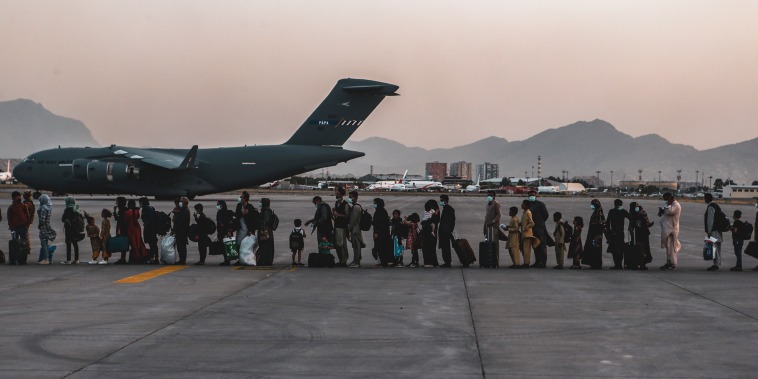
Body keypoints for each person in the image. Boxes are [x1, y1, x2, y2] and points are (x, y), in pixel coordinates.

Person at [527, 190, 549, 268]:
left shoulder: (540, 204)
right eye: (530, 195)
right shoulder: (529, 205)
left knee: (542, 245)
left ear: (536, 196)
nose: (531, 197)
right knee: (535, 245)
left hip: (540, 228)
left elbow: (546, 215)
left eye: (533, 195)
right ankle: (537, 261)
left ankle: (543, 263)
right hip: (532, 228)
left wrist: (540, 222)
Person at [659, 192, 682, 271]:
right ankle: (668, 262)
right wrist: (661, 211)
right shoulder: (668, 204)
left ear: (671, 198)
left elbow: (670, 212)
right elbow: (664, 211)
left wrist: (668, 205)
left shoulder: (676, 205)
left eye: (667, 199)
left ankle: (673, 264)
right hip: (667, 229)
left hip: (672, 229)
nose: (665, 201)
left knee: (672, 247)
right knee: (668, 247)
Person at [605, 199, 630, 270]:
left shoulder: (612, 211)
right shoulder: (623, 211)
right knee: (619, 249)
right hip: (620, 233)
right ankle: (618, 264)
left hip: (614, 233)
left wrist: (608, 232)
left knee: (614, 250)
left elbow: (607, 222)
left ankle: (617, 264)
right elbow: (630, 218)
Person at [629, 202, 654, 270]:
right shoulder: (632, 214)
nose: (637, 207)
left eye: (638, 205)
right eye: (635, 206)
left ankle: (643, 262)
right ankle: (640, 263)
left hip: (644, 233)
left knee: (646, 248)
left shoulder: (643, 212)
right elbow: (631, 224)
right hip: (638, 233)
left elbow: (647, 222)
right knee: (640, 249)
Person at [582, 199, 605, 269]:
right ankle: (594, 263)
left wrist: (596, 236)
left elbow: (600, 225)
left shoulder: (599, 214)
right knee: (593, 249)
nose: (591, 206)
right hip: (593, 235)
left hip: (596, 236)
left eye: (592, 205)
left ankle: (596, 264)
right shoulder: (597, 212)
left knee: (596, 249)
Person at [60, 196, 84, 264]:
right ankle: (76, 259)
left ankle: (68, 260)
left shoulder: (67, 209)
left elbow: (63, 219)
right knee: (75, 243)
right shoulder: (76, 209)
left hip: (69, 229)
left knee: (68, 244)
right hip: (76, 229)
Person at [7, 191, 30, 261]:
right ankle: (17, 258)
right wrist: (11, 226)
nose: (19, 198)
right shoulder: (12, 207)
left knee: (22, 243)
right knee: (16, 243)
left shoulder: (22, 205)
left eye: (19, 196)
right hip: (16, 227)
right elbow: (9, 217)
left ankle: (22, 258)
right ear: (14, 198)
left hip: (21, 226)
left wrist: (26, 224)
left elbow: (28, 216)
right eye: (17, 197)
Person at [371, 198, 393, 268]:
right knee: (382, 247)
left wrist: (376, 232)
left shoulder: (379, 212)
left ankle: (383, 263)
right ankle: (383, 262)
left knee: (380, 247)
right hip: (383, 233)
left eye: (375, 203)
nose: (374, 205)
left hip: (380, 233)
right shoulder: (382, 211)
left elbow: (379, 223)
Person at [704, 193, 723, 271]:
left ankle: (716, 265)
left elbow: (710, 220)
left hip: (713, 231)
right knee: (718, 248)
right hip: (718, 230)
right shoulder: (716, 206)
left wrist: (709, 231)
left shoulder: (710, 207)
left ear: (707, 199)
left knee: (713, 248)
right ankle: (718, 263)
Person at [125, 199, 148, 263]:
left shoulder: (127, 212)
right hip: (137, 227)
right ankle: (142, 255)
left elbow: (126, 220)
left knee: (133, 243)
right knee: (139, 241)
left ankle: (135, 256)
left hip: (131, 228)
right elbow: (137, 217)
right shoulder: (136, 211)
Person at [332, 186, 350, 267]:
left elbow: (347, 215)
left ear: (341, 194)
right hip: (337, 225)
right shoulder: (337, 203)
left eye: (337, 193)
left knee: (342, 244)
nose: (336, 195)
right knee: (338, 244)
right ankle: (340, 259)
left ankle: (344, 260)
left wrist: (337, 214)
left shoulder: (345, 204)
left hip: (342, 226)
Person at [36, 194, 56, 264]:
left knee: (43, 243)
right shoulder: (49, 207)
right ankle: (48, 258)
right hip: (47, 226)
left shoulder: (44, 208)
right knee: (45, 243)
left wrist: (39, 225)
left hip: (43, 227)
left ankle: (45, 259)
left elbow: (42, 219)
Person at [346, 191, 364, 268]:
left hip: (355, 229)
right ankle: (356, 260)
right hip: (356, 229)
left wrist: (349, 229)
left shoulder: (356, 207)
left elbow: (353, 220)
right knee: (355, 246)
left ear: (355, 198)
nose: (349, 198)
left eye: (351, 197)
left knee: (356, 246)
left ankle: (357, 261)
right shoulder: (354, 206)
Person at [216, 200, 236, 266]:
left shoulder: (219, 213)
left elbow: (220, 224)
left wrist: (226, 231)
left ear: (222, 205)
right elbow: (235, 218)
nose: (217, 206)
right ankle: (228, 259)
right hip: (228, 231)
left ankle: (226, 260)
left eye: (218, 204)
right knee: (228, 246)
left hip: (223, 232)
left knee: (224, 247)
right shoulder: (229, 212)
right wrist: (230, 229)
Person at [520, 199, 539, 268]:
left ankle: (526, 263)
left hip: (527, 234)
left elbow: (532, 223)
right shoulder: (524, 213)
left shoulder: (528, 213)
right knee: (524, 249)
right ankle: (526, 262)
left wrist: (525, 228)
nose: (522, 205)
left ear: (527, 206)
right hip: (524, 234)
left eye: (523, 204)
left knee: (526, 249)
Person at [139, 197, 159, 264]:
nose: (140, 204)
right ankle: (155, 258)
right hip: (151, 228)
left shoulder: (147, 208)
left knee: (152, 243)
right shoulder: (150, 207)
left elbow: (150, 219)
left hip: (150, 228)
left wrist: (147, 224)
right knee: (153, 243)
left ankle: (153, 258)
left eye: (141, 202)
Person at [421, 199, 440, 267]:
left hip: (429, 232)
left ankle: (429, 262)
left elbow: (433, 220)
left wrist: (425, 222)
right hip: (431, 232)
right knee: (430, 247)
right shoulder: (434, 212)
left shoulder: (433, 213)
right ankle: (432, 262)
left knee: (428, 247)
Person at [438, 194, 455, 268]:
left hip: (446, 231)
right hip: (444, 231)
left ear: (445, 200)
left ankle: (447, 262)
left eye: (441, 200)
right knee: (444, 247)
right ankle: (447, 261)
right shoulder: (445, 208)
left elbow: (452, 221)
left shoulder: (449, 209)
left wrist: (450, 230)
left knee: (446, 247)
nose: (440, 202)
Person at [483, 190, 501, 262]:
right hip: (488, 227)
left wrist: (493, 222)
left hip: (494, 227)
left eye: (490, 195)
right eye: (488, 195)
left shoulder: (496, 204)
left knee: (494, 244)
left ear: (494, 196)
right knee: (489, 244)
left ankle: (496, 260)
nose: (489, 197)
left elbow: (498, 215)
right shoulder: (488, 204)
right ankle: (490, 259)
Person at [257, 198, 276, 266]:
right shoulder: (267, 211)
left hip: (265, 232)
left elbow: (266, 221)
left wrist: (258, 219)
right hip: (268, 231)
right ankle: (266, 260)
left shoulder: (266, 212)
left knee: (265, 246)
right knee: (266, 246)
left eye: (261, 202)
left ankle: (265, 261)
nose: (260, 203)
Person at [173, 197, 191, 265]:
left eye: (181, 201)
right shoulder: (183, 210)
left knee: (181, 246)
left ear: (184, 203)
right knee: (181, 246)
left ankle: (182, 260)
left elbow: (180, 222)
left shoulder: (185, 210)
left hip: (181, 231)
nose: (179, 202)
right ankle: (182, 259)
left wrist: (175, 229)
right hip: (182, 231)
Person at [23, 191, 35, 258]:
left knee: (26, 234)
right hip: (28, 220)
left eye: (24, 195)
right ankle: (27, 248)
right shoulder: (29, 202)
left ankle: (27, 248)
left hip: (26, 221)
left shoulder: (28, 203)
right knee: (26, 234)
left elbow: (27, 213)